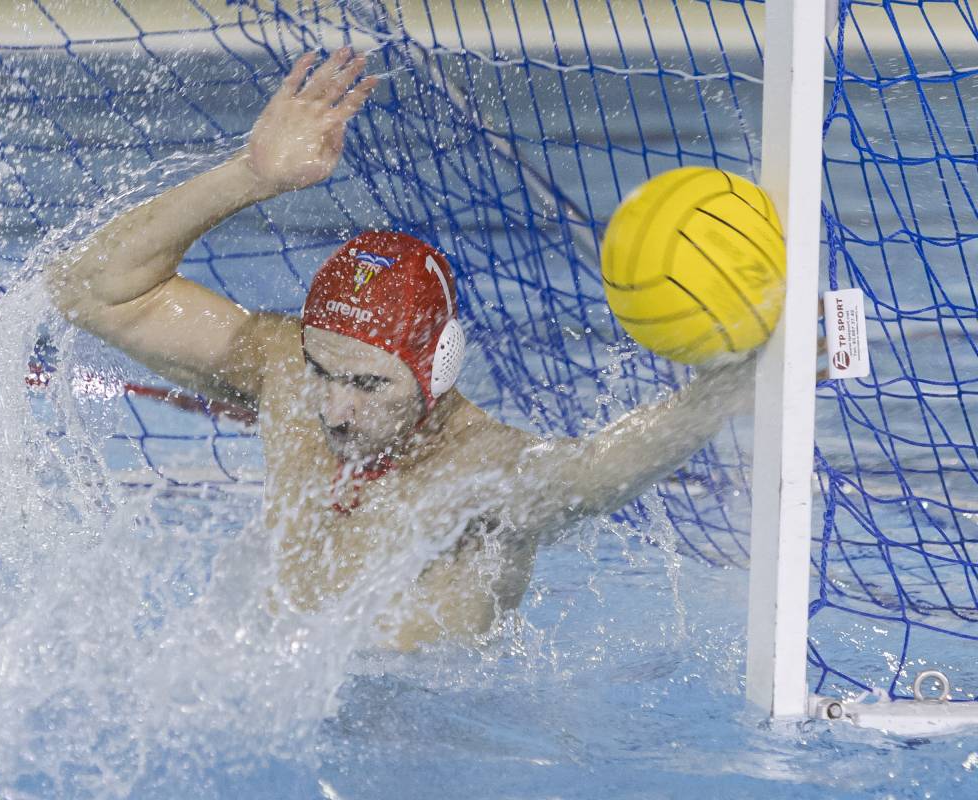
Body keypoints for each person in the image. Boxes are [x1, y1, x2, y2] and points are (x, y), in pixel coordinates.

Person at [47, 48, 755, 650]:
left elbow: (593, 475)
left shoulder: (483, 472)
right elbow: (91, 290)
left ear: (438, 368)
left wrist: (733, 382)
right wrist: (249, 177)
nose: (333, 408)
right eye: (321, 369)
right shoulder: (285, 373)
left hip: (424, 738)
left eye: (366, 385)